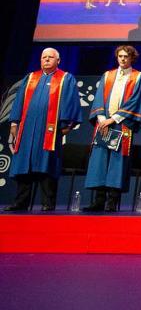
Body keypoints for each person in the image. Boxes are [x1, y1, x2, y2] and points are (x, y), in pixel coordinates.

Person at [4, 48, 82, 211]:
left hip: (50, 131)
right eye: (43, 57)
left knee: (47, 163)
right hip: (27, 129)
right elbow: (18, 101)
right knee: (24, 165)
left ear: (58, 61)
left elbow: (70, 102)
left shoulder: (65, 79)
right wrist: (14, 123)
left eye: (50, 57)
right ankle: (21, 202)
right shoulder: (31, 77)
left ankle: (48, 203)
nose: (46, 60)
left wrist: (67, 124)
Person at [83, 45, 141, 212]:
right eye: (120, 56)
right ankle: (98, 201)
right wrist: (103, 119)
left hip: (122, 123)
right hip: (103, 124)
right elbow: (99, 98)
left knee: (117, 164)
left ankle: (112, 202)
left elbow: (135, 101)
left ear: (132, 58)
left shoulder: (138, 77)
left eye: (126, 56)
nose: (123, 59)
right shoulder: (108, 75)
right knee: (100, 161)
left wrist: (113, 119)